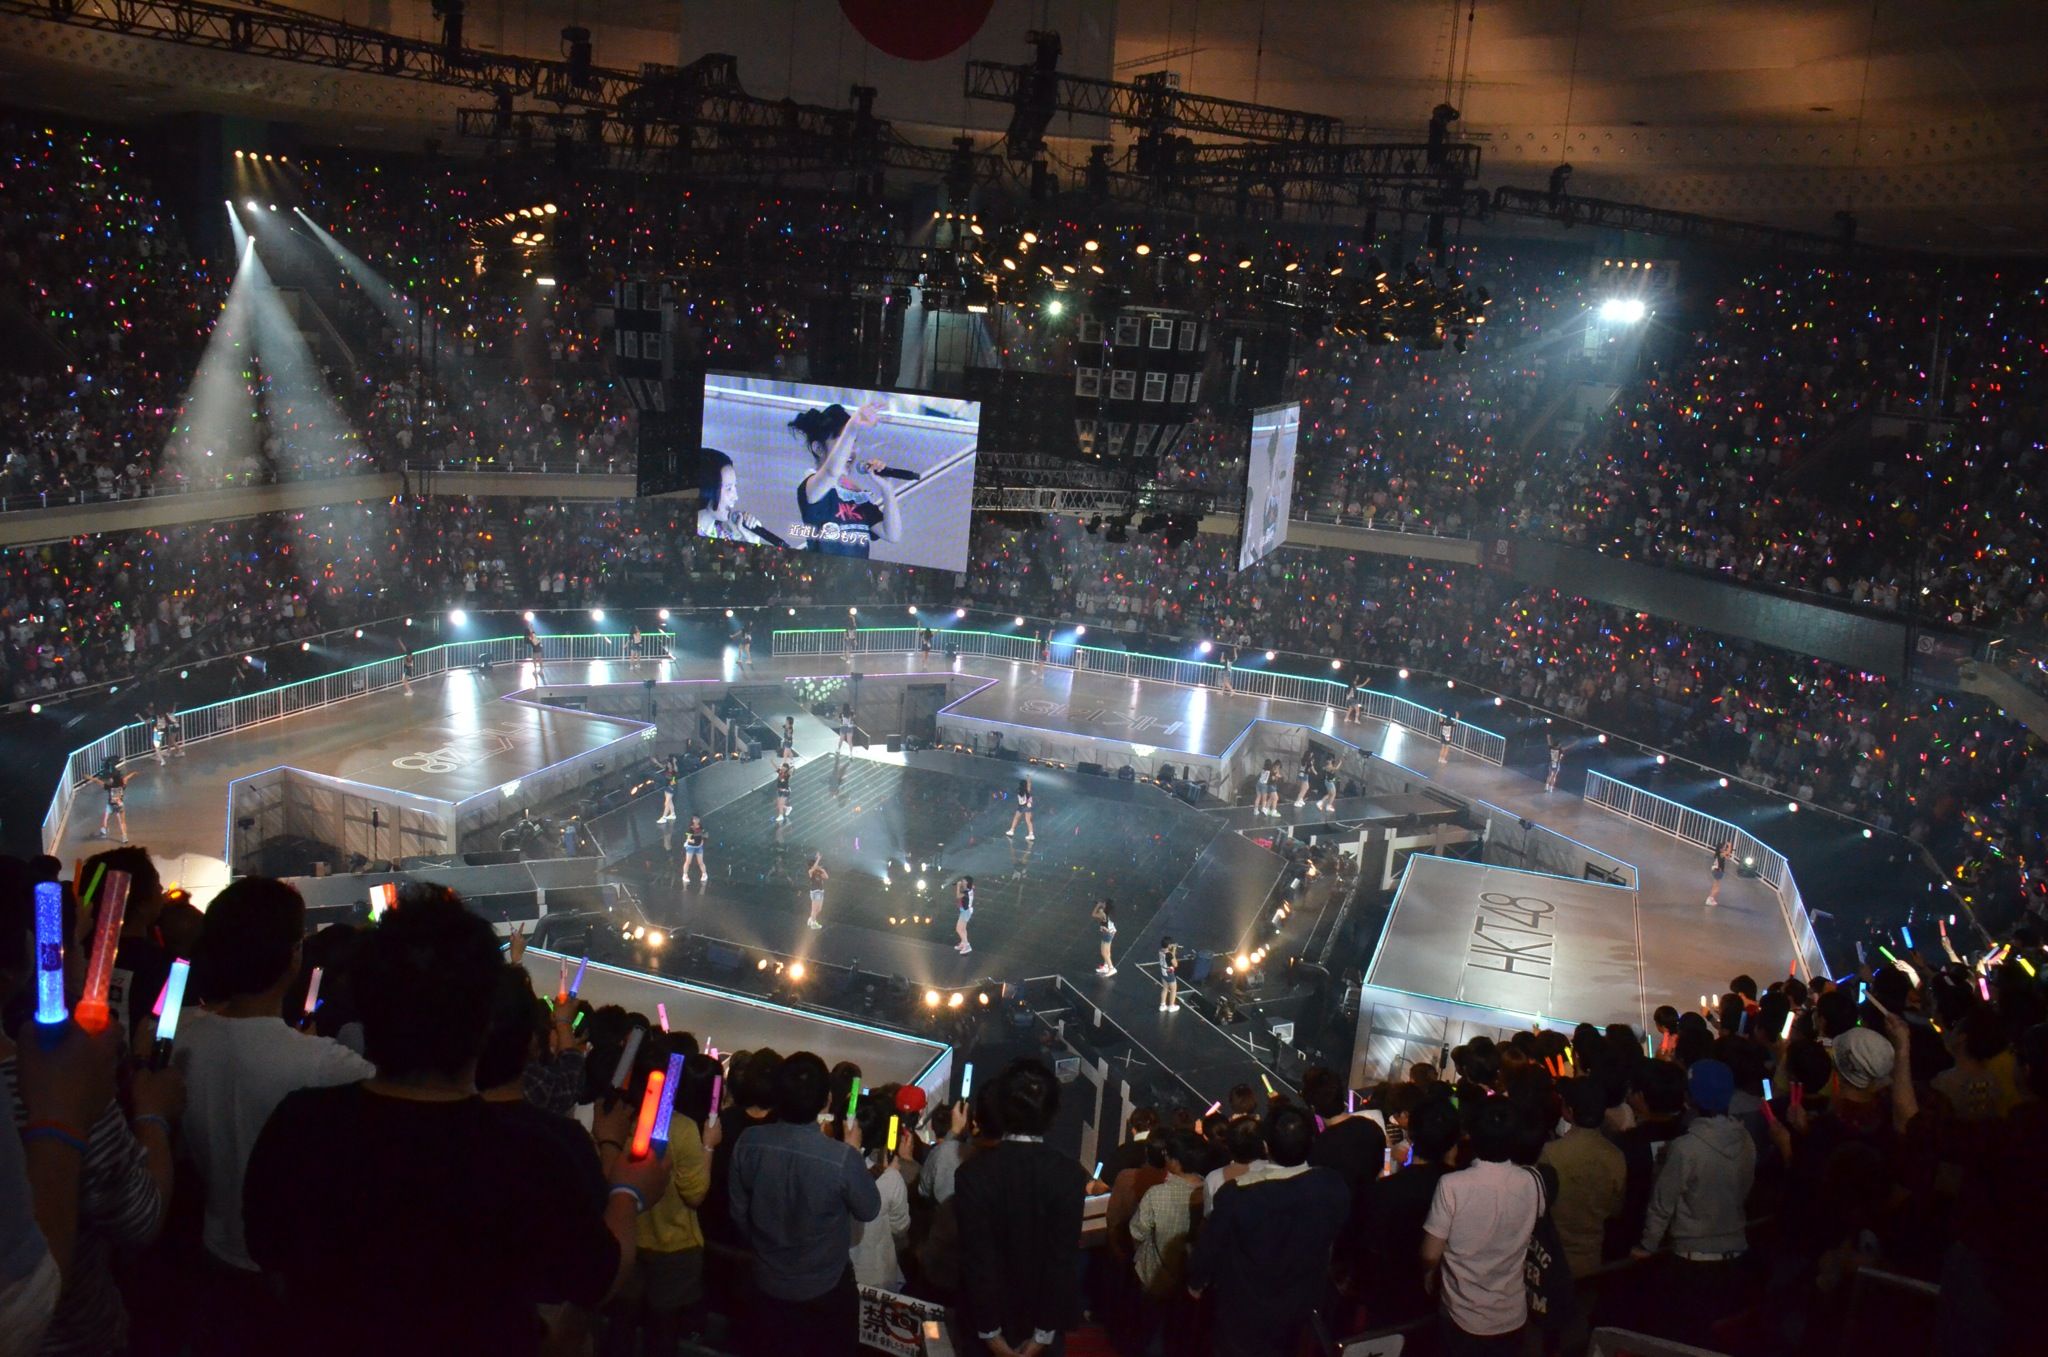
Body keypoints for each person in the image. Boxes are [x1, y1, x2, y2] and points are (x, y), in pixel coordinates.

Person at [242, 887, 670, 1357]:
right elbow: (597, 1280)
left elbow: (269, 1256)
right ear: (485, 1021)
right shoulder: (532, 1155)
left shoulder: (300, 1123)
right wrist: (627, 1194)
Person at [175, 878, 375, 1351]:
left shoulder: (179, 1038)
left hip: (211, 1252)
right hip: (295, 1271)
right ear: (292, 957)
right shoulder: (327, 1065)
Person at [727, 1051, 880, 1356]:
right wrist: (852, 1150)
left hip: (765, 1281)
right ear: (826, 1101)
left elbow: (738, 1211)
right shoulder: (842, 1158)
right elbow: (869, 1208)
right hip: (825, 1290)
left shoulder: (749, 1142)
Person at [1187, 1104, 1351, 1357]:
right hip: (1303, 1314)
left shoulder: (1235, 1195)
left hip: (1244, 1319)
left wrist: (1196, 1282)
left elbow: (1210, 1248)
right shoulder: (1332, 1185)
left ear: (1265, 1146)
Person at [954, 1058, 1088, 1357]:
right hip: (1043, 1320)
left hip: (985, 1320)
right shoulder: (1069, 1174)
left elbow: (977, 1259)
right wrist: (1043, 1333)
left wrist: (990, 1333)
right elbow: (1062, 1260)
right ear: (1052, 1112)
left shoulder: (972, 1174)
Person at [1632, 1058, 1756, 1347]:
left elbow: (1662, 1205)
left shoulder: (1685, 1148)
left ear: (1690, 1099)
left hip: (1692, 1262)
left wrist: (1647, 1246)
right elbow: (1746, 1186)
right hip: (1737, 1254)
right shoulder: (1745, 1139)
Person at [1421, 1099, 1547, 1354]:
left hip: (1462, 1313)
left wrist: (1428, 1273)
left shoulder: (1452, 1185)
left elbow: (1430, 1253)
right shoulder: (1532, 1181)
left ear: (1472, 1136)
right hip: (1513, 1312)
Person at [1538, 1077, 1626, 1279]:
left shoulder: (1551, 1153)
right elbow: (1616, 1208)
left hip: (1553, 1253)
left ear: (1569, 1110)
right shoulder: (1615, 1155)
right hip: (1593, 1253)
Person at [794, 402, 898, 559]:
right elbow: (831, 472)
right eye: (843, 441)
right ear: (818, 448)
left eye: (853, 441)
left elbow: (892, 534)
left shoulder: (854, 493)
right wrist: (852, 427)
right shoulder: (811, 486)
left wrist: (887, 489)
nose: (851, 449)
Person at [848, 1098, 912, 1291]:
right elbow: (900, 1227)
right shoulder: (890, 1179)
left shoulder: (824, 1168)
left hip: (830, 1274)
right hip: (876, 1275)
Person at [694, 448, 769, 545]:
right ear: (708, 488)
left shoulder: (725, 536)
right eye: (729, 488)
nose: (736, 497)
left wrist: (752, 539)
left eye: (735, 486)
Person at [91, 758, 131, 841]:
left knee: (105, 817)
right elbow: (126, 779)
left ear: (112, 780)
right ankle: (124, 837)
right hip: (120, 805)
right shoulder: (122, 786)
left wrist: (90, 778)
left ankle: (104, 830)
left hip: (110, 805)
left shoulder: (109, 787)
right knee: (122, 822)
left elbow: (99, 782)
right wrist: (133, 773)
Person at [1092, 899, 1117, 977]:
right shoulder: (1108, 912)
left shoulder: (1103, 913)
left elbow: (1093, 914)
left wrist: (1097, 906)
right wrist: (1100, 907)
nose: (1102, 904)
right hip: (1110, 932)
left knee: (1104, 953)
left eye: (1104, 903)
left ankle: (1111, 968)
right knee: (1108, 952)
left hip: (1107, 934)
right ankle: (1106, 966)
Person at [1006, 775, 1035, 840]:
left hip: (1022, 806)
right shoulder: (1026, 790)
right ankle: (1031, 834)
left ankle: (1012, 831)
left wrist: (1028, 780)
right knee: (1028, 821)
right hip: (1025, 806)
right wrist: (1029, 780)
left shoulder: (1019, 791)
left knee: (1017, 818)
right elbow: (1029, 785)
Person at [682, 816, 709, 884]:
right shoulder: (690, 828)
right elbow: (688, 839)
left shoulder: (701, 828)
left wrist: (702, 841)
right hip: (691, 847)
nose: (696, 820)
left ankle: (704, 874)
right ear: (693, 820)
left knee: (701, 862)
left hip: (699, 847)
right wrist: (692, 841)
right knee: (688, 862)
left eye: (697, 819)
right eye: (695, 819)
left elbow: (705, 835)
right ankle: (685, 875)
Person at [1706, 840, 1733, 906]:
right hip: (1718, 871)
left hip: (1715, 871)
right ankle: (1710, 899)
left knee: (1714, 886)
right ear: (1720, 849)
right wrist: (1730, 846)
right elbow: (1727, 852)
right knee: (1717, 888)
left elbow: (1728, 857)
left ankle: (1711, 899)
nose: (1725, 848)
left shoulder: (1719, 854)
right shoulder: (1721, 854)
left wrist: (1728, 853)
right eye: (1724, 847)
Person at [806, 853, 828, 931]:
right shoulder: (810, 871)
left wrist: (823, 870)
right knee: (814, 909)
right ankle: (813, 923)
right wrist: (818, 859)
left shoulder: (818, 871)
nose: (817, 865)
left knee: (819, 909)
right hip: (815, 891)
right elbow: (814, 867)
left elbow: (826, 877)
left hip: (821, 891)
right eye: (815, 864)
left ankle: (811, 919)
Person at [1158, 937, 1181, 1012]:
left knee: (1165, 988)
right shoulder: (1169, 955)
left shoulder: (1160, 951)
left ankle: (1162, 1005)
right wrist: (1174, 950)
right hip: (1169, 972)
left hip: (1163, 971)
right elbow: (1175, 964)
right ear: (1168, 945)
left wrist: (1172, 950)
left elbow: (1170, 957)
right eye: (1171, 944)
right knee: (1173, 989)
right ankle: (1171, 1006)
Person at [954, 876, 975, 955]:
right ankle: (963, 943)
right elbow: (973, 886)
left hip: (966, 912)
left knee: (959, 929)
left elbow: (958, 896)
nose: (962, 882)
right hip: (966, 911)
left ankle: (967, 945)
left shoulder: (966, 892)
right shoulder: (970, 889)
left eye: (963, 881)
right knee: (963, 929)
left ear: (967, 882)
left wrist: (958, 886)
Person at [656, 756, 679, 824]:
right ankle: (672, 814)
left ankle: (664, 817)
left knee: (666, 802)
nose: (668, 765)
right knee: (670, 801)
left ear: (671, 764)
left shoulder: (674, 770)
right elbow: (661, 766)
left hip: (672, 786)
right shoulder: (666, 769)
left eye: (669, 764)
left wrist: (674, 762)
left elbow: (676, 770)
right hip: (666, 786)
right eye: (667, 764)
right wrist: (656, 762)